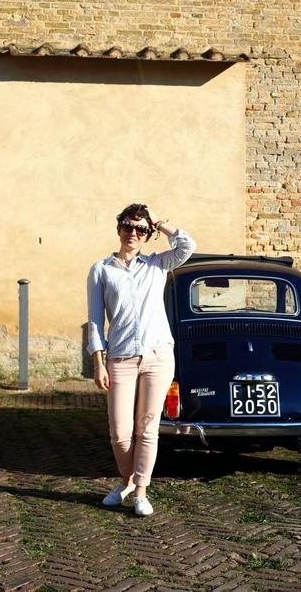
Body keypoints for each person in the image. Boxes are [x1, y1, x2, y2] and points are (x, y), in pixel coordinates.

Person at [87, 203, 196, 516]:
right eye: (127, 226)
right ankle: (127, 480)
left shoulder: (157, 265)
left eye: (140, 229)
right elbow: (95, 320)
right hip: (120, 358)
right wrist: (98, 362)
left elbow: (188, 245)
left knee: (147, 428)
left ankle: (141, 492)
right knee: (120, 432)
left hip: (158, 354)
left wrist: (159, 223)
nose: (133, 233)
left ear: (148, 235)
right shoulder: (101, 269)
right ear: (118, 228)